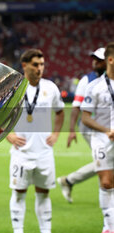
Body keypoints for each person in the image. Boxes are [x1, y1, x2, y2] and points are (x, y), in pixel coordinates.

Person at [6, 49, 64, 233]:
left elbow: (60, 112)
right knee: (19, 193)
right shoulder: (14, 88)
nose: (40, 68)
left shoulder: (50, 87)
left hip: (44, 153)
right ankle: (18, 231)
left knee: (44, 193)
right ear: (24, 66)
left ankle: (45, 231)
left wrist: (55, 134)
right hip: (21, 154)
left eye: (42, 64)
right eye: (36, 65)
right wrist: (9, 135)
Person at [58, 47, 106, 203]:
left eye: (99, 60)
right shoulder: (87, 80)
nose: (95, 63)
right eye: (94, 60)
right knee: (105, 160)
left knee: (106, 161)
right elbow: (76, 106)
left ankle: (69, 181)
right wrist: (72, 130)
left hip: (106, 127)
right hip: (89, 126)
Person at [81, 42, 114, 233]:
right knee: (106, 182)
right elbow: (86, 118)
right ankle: (108, 227)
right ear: (111, 60)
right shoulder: (94, 86)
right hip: (102, 140)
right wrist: (106, 130)